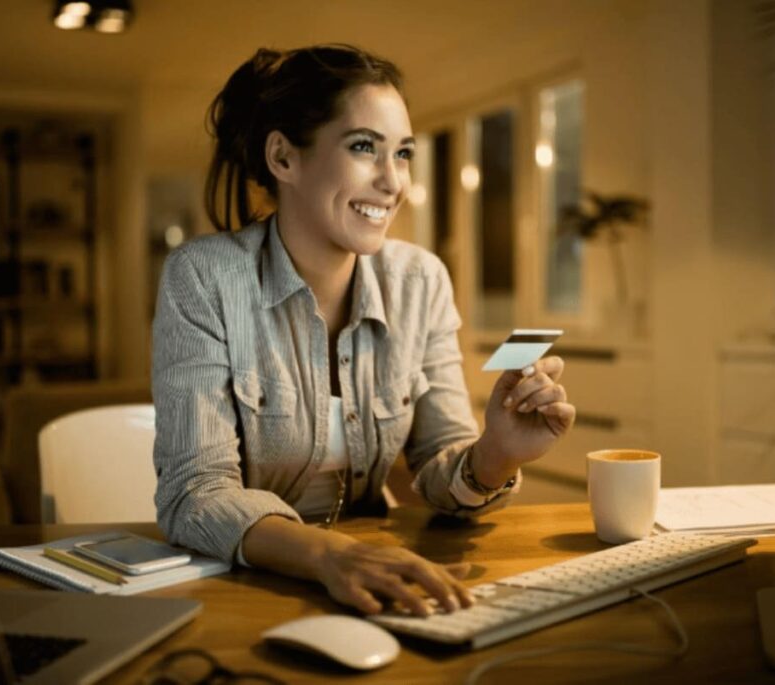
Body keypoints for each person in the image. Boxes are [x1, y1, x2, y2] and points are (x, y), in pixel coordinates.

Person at [152, 44, 576, 618]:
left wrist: (496, 454)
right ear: (283, 157)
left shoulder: (421, 280)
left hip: (377, 576)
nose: (392, 182)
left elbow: (439, 468)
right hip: (245, 586)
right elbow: (195, 495)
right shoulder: (203, 277)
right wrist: (330, 556)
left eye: (402, 154)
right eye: (362, 148)